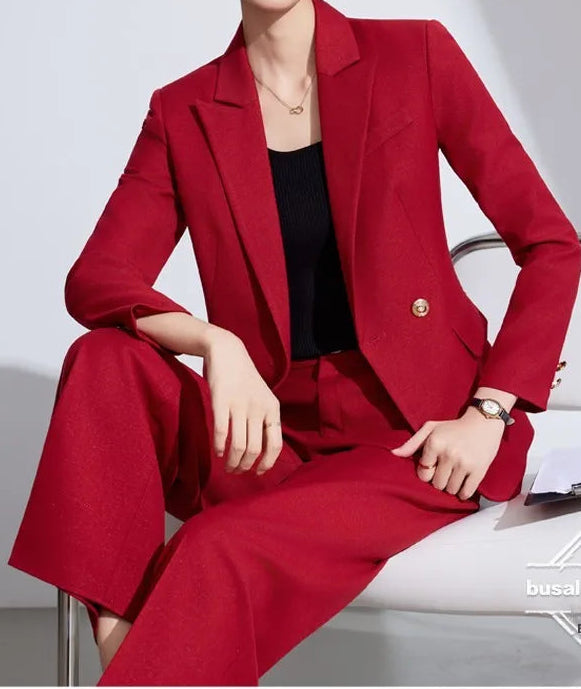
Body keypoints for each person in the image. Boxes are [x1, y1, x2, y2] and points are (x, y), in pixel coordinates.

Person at [8, 0, 581, 684]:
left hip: (413, 441)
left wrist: (488, 411)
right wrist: (215, 342)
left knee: (214, 547)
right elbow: (98, 277)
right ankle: (126, 649)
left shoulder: (415, 55)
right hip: (267, 433)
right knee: (103, 359)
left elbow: (551, 244)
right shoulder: (184, 110)